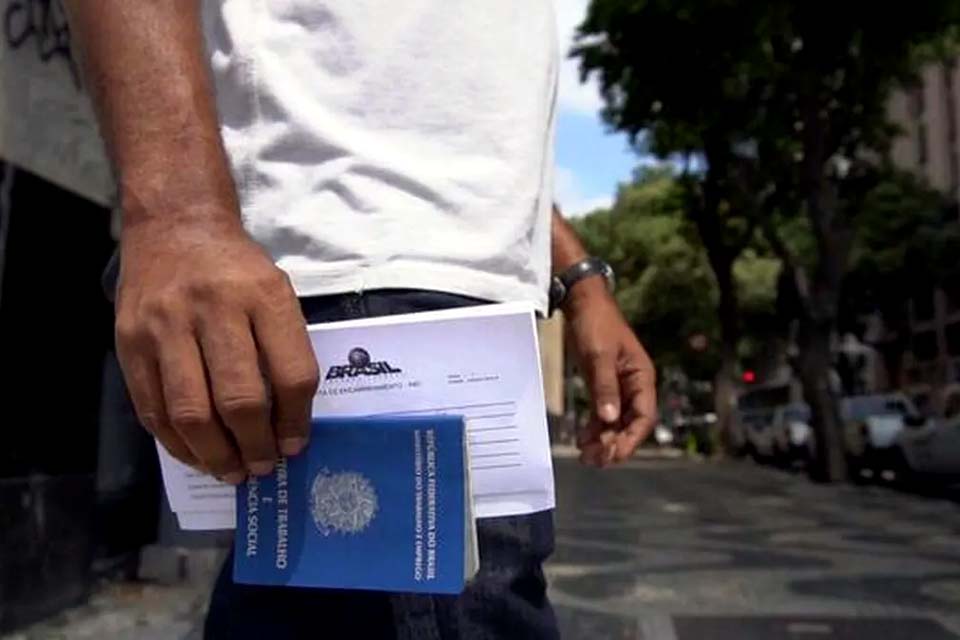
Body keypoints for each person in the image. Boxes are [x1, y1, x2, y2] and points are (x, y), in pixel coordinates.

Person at [64, 1, 657, 638]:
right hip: (358, 273)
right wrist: (179, 216)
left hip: (456, 293)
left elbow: (462, 108)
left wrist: (578, 279)